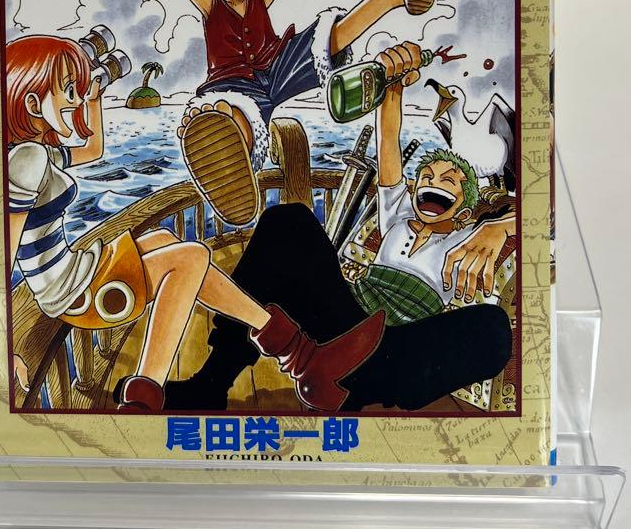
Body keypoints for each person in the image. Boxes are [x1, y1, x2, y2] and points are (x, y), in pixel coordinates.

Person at [5, 33, 386, 413]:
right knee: (189, 257)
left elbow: (92, 150)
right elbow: (6, 245)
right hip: (70, 291)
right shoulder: (27, 159)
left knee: (164, 239)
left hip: (78, 270)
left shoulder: (37, 152)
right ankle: (143, 397)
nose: (75, 100)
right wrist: (6, 345)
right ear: (32, 102)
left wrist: (95, 96)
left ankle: (303, 358)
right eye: (68, 90)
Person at [166, 41, 514, 412]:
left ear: (465, 208)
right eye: (426, 176)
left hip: (394, 346)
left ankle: (346, 376)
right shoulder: (397, 214)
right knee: (289, 221)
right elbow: (388, 139)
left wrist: (499, 227)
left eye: (448, 181)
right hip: (342, 322)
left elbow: (539, 218)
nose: (432, 182)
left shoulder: (467, 238)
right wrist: (393, 85)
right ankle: (212, 382)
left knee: (493, 328)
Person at [111, 0, 443, 227]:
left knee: (325, 38)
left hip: (278, 66)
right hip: (236, 83)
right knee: (236, 114)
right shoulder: (210, 1)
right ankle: (225, 152)